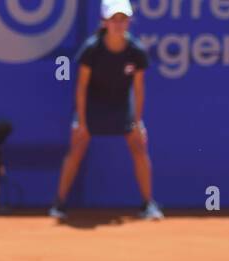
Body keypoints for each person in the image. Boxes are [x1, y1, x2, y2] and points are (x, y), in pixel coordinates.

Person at [50, 1, 162, 221]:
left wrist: (138, 122)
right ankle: (59, 203)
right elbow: (81, 87)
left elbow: (138, 89)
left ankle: (148, 204)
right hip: (93, 105)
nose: (119, 24)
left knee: (139, 145)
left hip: (121, 105)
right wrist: (81, 122)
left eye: (123, 19)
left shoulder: (136, 51)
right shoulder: (92, 48)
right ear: (104, 22)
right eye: (114, 19)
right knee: (77, 147)